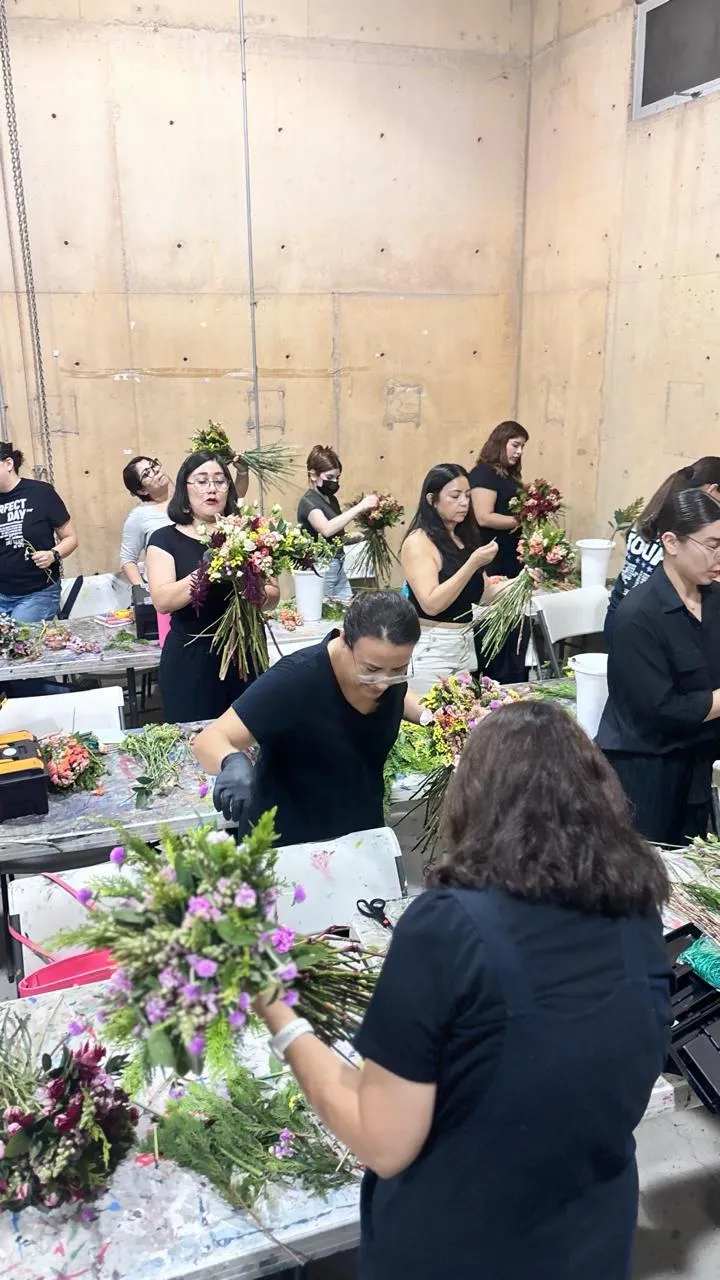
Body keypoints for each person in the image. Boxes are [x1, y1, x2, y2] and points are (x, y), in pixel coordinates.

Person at [254, 699, 671, 1280]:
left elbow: (383, 1140)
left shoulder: (447, 929)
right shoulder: (639, 914)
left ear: (474, 801)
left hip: (464, 1249)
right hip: (589, 1245)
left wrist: (282, 1017)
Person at [193, 591, 429, 845]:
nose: (383, 683)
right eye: (371, 670)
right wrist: (232, 761)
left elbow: (400, 695)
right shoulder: (297, 680)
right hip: (288, 840)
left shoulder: (386, 675)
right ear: (344, 640)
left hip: (360, 832)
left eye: (398, 670)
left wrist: (432, 715)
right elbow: (210, 739)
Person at [597, 488, 720, 845]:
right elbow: (661, 710)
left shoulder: (713, 600)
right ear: (671, 542)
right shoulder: (637, 615)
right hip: (648, 771)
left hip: (700, 764)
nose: (719, 556)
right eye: (711, 545)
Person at [146, 451, 278, 723]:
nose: (212, 489)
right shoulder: (164, 539)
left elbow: (274, 595)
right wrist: (210, 569)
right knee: (196, 746)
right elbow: (163, 600)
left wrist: (248, 585)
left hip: (247, 654)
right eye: (202, 481)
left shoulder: (251, 535)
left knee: (250, 737)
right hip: (192, 658)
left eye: (220, 481)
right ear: (185, 488)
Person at [400, 464, 499, 685]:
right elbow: (431, 604)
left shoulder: (463, 537)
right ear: (431, 499)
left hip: (464, 644)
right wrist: (472, 564)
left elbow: (484, 595)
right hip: (432, 648)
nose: (464, 503)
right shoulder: (419, 542)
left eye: (467, 496)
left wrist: (522, 582)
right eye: (455, 496)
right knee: (431, 717)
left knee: (463, 716)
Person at [604, 456, 720, 638]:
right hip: (646, 620)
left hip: (621, 608)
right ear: (713, 490)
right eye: (713, 544)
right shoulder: (682, 528)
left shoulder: (650, 515)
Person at [0, 443, 78, 621]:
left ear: (9, 464)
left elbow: (70, 538)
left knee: (22, 642)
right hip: (2, 591)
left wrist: (53, 554)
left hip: (37, 592)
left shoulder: (41, 493)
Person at [296, 444, 378, 603]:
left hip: (338, 564)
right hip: (321, 568)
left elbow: (338, 534)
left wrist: (365, 535)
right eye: (329, 478)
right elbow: (326, 529)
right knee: (325, 612)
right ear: (313, 475)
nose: (334, 482)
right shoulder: (308, 502)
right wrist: (360, 507)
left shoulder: (330, 500)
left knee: (344, 610)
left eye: (337, 478)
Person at [469, 419, 529, 578]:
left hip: (510, 551)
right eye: (515, 445)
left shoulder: (509, 475)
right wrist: (522, 520)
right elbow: (483, 517)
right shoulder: (485, 473)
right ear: (500, 443)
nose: (519, 452)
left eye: (522, 447)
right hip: (492, 553)